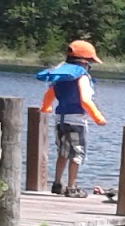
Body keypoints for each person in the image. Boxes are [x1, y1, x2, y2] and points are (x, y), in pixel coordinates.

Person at [37, 40, 107, 196]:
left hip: (60, 119)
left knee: (62, 153)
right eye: (90, 64)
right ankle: (72, 187)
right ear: (84, 63)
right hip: (76, 122)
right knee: (76, 154)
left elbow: (49, 94)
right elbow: (85, 100)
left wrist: (45, 108)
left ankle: (56, 183)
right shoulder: (82, 77)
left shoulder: (60, 76)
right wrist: (98, 118)